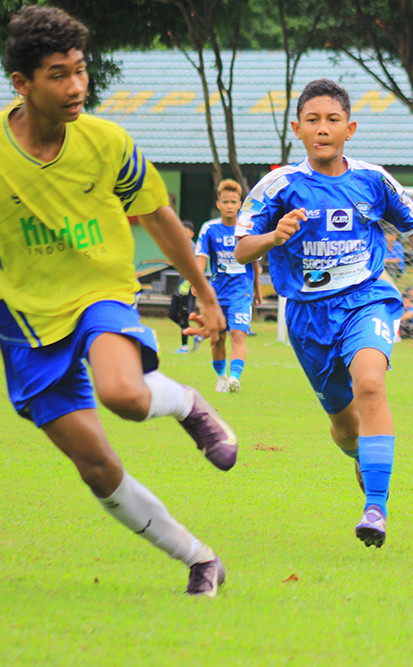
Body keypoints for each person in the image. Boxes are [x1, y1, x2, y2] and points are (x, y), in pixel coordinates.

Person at [0, 6, 235, 596]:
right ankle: (198, 558)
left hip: (100, 292)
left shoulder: (107, 143)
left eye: (81, 70)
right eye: (58, 74)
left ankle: (185, 402)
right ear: (21, 84)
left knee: (124, 396)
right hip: (23, 320)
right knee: (96, 467)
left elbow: (159, 217)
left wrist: (206, 296)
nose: (77, 86)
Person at [234, 78, 413, 548]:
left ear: (350, 128)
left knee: (371, 382)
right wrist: (273, 237)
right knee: (345, 426)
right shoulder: (279, 186)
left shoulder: (372, 179)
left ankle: (376, 506)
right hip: (307, 319)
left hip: (366, 298)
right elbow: (242, 247)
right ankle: (359, 454)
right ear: (297, 129)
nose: (323, 128)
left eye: (332, 120)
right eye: (313, 120)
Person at [195, 179, 263, 393]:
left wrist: (257, 290)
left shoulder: (247, 229)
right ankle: (221, 376)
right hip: (217, 294)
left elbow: (255, 262)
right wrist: (197, 282)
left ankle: (234, 378)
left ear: (240, 204)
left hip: (241, 292)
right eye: (225, 202)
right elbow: (202, 257)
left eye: (233, 201)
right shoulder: (209, 229)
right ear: (218, 204)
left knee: (238, 334)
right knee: (217, 339)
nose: (229, 206)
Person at [168, 220, 200, 354]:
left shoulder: (194, 248)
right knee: (172, 314)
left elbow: (197, 266)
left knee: (183, 315)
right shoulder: (180, 246)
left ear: (191, 234)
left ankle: (184, 346)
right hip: (181, 284)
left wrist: (191, 283)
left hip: (189, 285)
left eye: (186, 232)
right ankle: (196, 335)